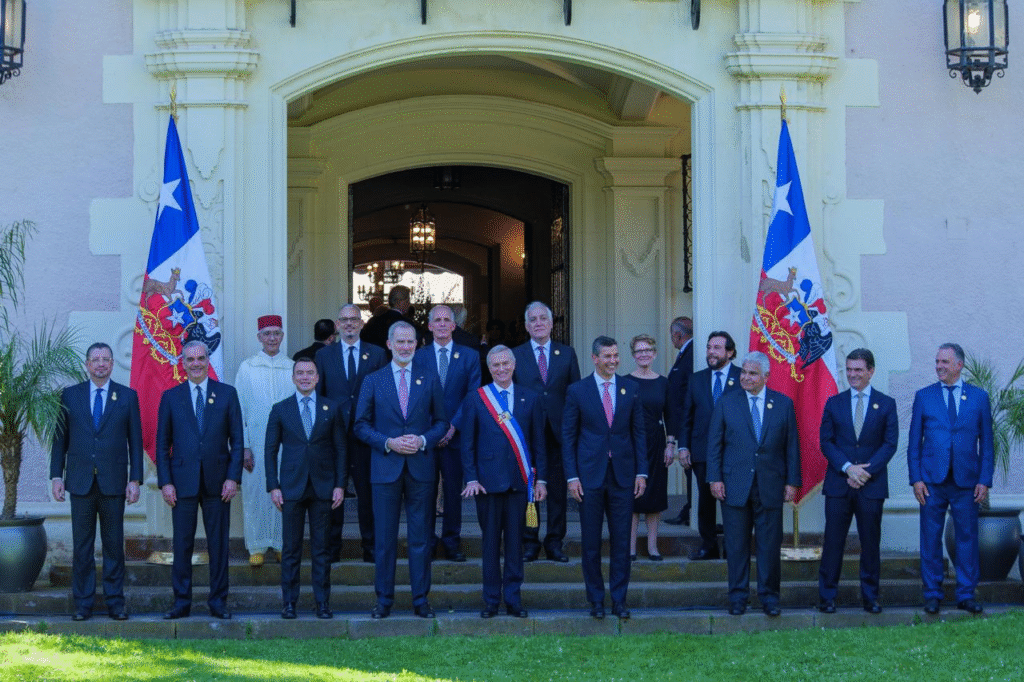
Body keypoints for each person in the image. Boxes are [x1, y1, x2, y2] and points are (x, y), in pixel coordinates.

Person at [354, 321, 448, 619]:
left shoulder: (429, 377)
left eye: (410, 342)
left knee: (421, 538)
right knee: (384, 540)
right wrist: (388, 442)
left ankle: (421, 600)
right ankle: (383, 601)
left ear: (417, 345)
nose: (405, 347)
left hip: (421, 468)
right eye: (400, 342)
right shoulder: (373, 380)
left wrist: (423, 440)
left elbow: (442, 422)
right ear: (389, 344)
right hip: (385, 469)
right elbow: (360, 425)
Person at [49, 342, 143, 621]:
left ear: (112, 364)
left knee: (114, 546)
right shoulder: (70, 395)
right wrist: (57, 475)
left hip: (114, 483)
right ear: (87, 364)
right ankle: (83, 604)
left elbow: (135, 442)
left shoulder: (127, 396)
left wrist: (135, 479)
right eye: (95, 359)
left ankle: (115, 603)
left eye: (105, 359)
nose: (101, 364)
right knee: (82, 547)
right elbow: (59, 440)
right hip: (80, 483)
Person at [707, 351, 800, 617]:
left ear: (766, 377)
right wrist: (715, 478)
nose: (745, 377)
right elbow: (714, 444)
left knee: (769, 546)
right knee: (736, 546)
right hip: (734, 485)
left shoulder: (783, 404)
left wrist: (792, 481)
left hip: (770, 485)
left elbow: (791, 447)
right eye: (744, 372)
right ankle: (738, 598)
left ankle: (769, 598)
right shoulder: (727, 402)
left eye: (752, 374)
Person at [156, 340, 244, 620]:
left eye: (201, 358)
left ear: (208, 360)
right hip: (181, 483)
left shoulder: (227, 394)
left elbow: (237, 442)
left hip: (219, 483)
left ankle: (218, 602)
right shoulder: (171, 397)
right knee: (182, 545)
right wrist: (165, 482)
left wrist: (233, 478)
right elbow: (162, 445)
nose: (196, 364)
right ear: (183, 363)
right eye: (190, 359)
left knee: (219, 545)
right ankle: (181, 602)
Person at [564, 336, 647, 620]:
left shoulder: (630, 388)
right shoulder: (578, 390)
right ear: (595, 358)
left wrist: (641, 472)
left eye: (616, 356)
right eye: (607, 356)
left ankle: (619, 601)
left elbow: (639, 433)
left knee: (622, 542)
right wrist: (572, 477)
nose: (613, 361)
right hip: (589, 477)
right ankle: (596, 601)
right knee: (590, 543)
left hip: (623, 477)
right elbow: (568, 436)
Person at [461, 345, 547, 618]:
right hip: (487, 484)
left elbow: (539, 443)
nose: (501, 369)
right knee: (489, 546)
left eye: (505, 364)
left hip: (520, 483)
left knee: (515, 544)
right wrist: (471, 478)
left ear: (513, 365)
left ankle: (513, 599)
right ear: (489, 368)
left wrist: (541, 480)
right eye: (496, 365)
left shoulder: (530, 397)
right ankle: (490, 600)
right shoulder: (477, 398)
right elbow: (467, 443)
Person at [908, 342, 994, 615]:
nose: (939, 367)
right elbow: (914, 443)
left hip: (967, 482)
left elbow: (987, 444)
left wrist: (984, 480)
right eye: (937, 362)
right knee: (930, 538)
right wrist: (916, 479)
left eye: (944, 362)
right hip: (931, 482)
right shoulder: (924, 396)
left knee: (967, 539)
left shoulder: (979, 398)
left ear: (959, 365)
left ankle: (966, 594)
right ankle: (932, 594)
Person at [264, 358, 346, 619]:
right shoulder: (280, 409)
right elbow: (270, 450)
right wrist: (273, 486)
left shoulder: (331, 408)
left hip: (323, 487)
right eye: (300, 373)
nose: (305, 377)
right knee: (291, 549)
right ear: (293, 378)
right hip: (291, 488)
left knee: (322, 549)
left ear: (317, 377)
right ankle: (289, 603)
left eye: (310, 373)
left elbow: (341, 449)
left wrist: (340, 485)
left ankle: (322, 603)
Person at [818, 348, 898, 614]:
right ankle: (827, 597)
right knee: (833, 543)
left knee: (870, 543)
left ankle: (870, 597)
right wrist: (848, 468)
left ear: (871, 371)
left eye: (858, 370)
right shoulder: (834, 403)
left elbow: (889, 444)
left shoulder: (886, 404)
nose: (852, 374)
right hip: (839, 485)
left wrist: (865, 472)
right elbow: (826, 442)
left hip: (871, 486)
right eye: (849, 369)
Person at [316, 304, 387, 563]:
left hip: (366, 435)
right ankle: (332, 547)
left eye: (354, 319)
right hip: (333, 435)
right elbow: (320, 395)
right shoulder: (324, 355)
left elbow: (383, 395)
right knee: (333, 493)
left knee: (367, 494)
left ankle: (370, 547)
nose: (349, 324)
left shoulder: (377, 354)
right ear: (337, 324)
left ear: (361, 323)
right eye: (344, 320)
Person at [512, 301, 580, 562]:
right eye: (533, 319)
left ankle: (554, 542)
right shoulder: (515, 355)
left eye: (543, 318)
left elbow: (574, 394)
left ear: (551, 324)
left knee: (557, 493)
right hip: (527, 434)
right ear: (526, 326)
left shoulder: (567, 354)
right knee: (530, 491)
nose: (538, 323)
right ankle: (530, 541)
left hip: (559, 434)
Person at [415, 304, 481, 561]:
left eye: (446, 320)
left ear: (454, 325)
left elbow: (472, 395)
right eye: (437, 320)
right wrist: (435, 431)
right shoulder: (419, 356)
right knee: (427, 492)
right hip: (427, 437)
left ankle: (452, 542)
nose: (442, 324)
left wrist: (453, 426)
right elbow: (416, 397)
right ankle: (429, 542)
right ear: (430, 326)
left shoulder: (470, 356)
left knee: (453, 493)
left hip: (457, 436)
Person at [678, 331, 742, 560]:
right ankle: (709, 546)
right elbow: (686, 416)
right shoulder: (696, 379)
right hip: (702, 450)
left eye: (717, 348)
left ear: (730, 352)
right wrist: (683, 447)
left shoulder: (742, 376)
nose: (711, 352)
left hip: (734, 451)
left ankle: (734, 547)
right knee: (705, 501)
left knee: (733, 501)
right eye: (708, 347)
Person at [234, 315, 291, 567]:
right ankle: (256, 546)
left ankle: (280, 544)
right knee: (256, 493)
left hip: (286, 444)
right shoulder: (247, 367)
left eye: (276, 333)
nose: (272, 338)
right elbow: (239, 410)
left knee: (283, 492)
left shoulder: (291, 367)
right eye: (267, 333)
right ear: (259, 337)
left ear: (282, 336)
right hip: (255, 443)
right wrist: (244, 446)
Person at [625, 334, 673, 561]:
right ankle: (630, 548)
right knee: (632, 496)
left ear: (654, 354)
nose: (643, 354)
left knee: (654, 495)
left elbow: (670, 415)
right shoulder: (624, 382)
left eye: (647, 350)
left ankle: (653, 547)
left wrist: (670, 444)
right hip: (631, 443)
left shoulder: (663, 382)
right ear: (633, 355)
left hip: (656, 442)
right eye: (639, 351)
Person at [664, 316, 694, 526]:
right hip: (683, 423)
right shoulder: (687, 353)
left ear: (677, 335)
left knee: (690, 468)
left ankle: (691, 510)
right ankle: (689, 508)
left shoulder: (691, 354)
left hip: (688, 424)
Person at [361, 285, 420, 351]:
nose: (409, 304)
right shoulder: (406, 324)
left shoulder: (373, 321)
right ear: (399, 302)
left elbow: (363, 341)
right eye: (407, 300)